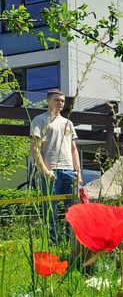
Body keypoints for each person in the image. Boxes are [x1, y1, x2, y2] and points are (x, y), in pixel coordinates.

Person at [30, 89, 82, 244]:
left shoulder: (68, 123)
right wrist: (44, 171)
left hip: (69, 172)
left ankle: (71, 244)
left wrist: (78, 172)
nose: (60, 103)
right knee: (49, 211)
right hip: (50, 172)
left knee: (73, 211)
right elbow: (34, 148)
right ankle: (54, 245)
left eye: (62, 101)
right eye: (57, 100)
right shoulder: (39, 120)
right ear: (48, 101)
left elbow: (73, 149)